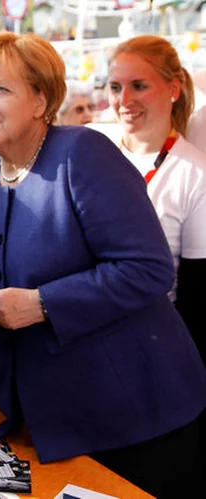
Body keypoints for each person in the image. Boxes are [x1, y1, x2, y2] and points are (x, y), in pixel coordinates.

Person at [0, 32, 205, 498]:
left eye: (0, 89)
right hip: (52, 423)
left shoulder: (82, 153)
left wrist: (42, 304)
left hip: (136, 421)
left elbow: (148, 267)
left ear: (40, 99)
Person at [107, 35, 206, 361]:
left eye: (139, 86)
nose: (124, 100)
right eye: (115, 87)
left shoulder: (194, 174)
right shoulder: (96, 155)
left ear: (173, 89)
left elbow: (196, 297)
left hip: (158, 349)